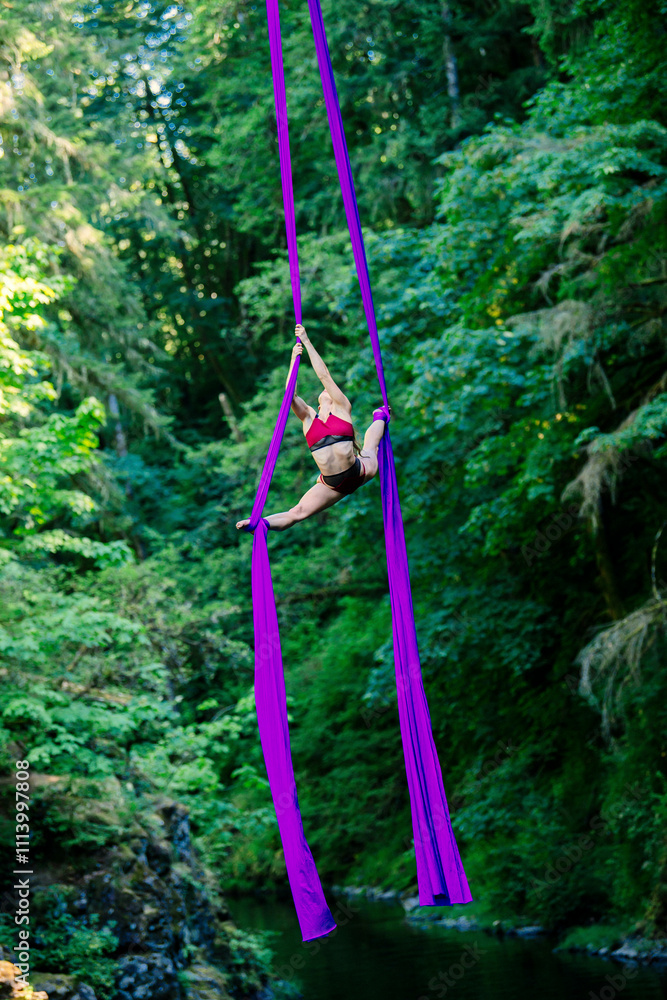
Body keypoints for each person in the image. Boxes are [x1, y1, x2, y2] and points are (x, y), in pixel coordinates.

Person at [236, 324, 390, 531]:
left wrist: (306, 342)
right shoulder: (309, 418)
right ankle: (257, 523)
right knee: (297, 513)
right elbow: (290, 395)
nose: (327, 391)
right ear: (319, 404)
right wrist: (294, 360)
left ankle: (380, 416)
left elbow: (324, 376)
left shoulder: (343, 408)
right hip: (331, 484)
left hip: (358, 472)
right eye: (325, 393)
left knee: (371, 448)